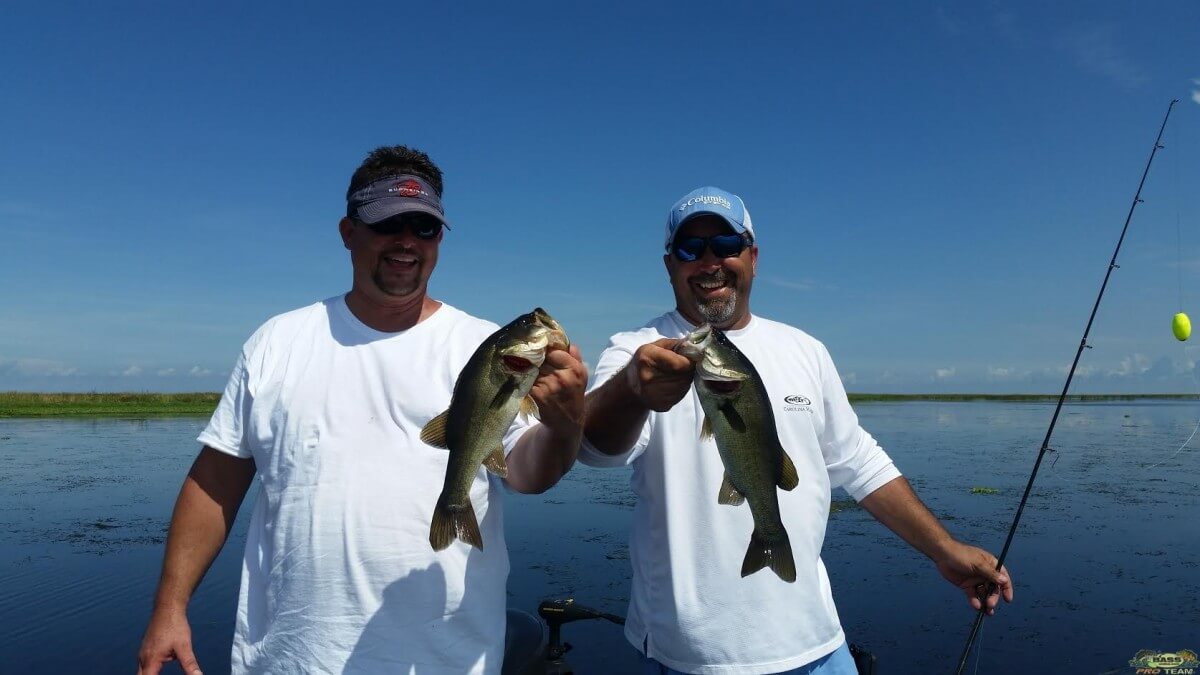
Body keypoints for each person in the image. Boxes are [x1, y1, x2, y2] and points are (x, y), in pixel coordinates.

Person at [136, 146, 587, 675]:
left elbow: (531, 474)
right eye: (388, 224)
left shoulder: (479, 345)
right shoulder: (276, 342)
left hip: (451, 660)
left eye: (424, 227)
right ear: (349, 232)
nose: (406, 241)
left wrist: (566, 423)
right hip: (288, 659)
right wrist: (170, 607)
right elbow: (215, 483)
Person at [580, 186, 1014, 675]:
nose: (709, 261)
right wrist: (630, 391)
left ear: (753, 257)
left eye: (726, 245)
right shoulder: (635, 350)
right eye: (690, 249)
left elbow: (859, 462)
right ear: (669, 264)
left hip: (817, 646)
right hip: (688, 657)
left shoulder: (805, 350)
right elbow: (595, 450)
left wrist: (946, 548)